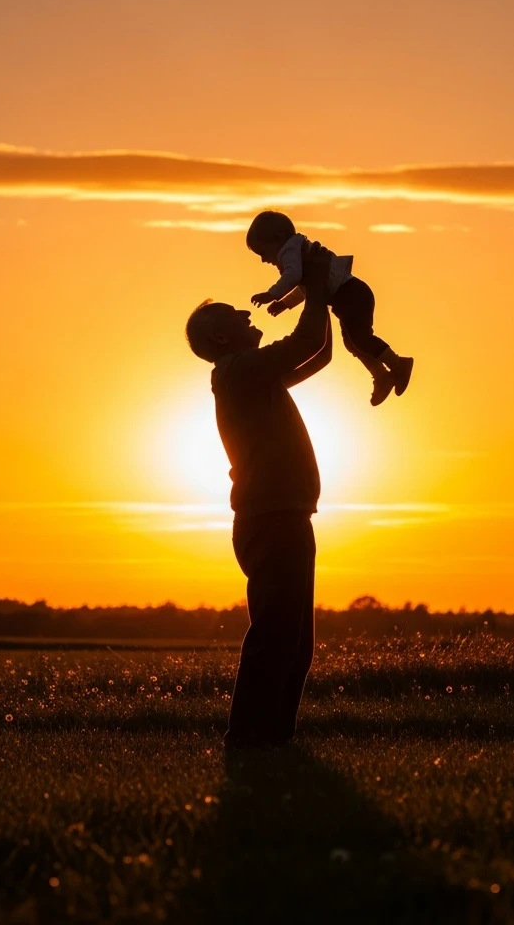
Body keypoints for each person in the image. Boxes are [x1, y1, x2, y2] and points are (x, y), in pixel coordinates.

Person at [185, 241, 333, 749]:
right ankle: (248, 739)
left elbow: (319, 351)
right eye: (235, 314)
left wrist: (320, 291)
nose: (247, 314)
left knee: (294, 641)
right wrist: (317, 284)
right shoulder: (241, 371)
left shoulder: (252, 375)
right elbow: (307, 339)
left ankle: (272, 740)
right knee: (277, 635)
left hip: (283, 516)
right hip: (271, 518)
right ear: (221, 336)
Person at [247, 210, 414, 406]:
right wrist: (285, 303)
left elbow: (293, 276)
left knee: (361, 339)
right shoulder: (302, 252)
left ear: (277, 238)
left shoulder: (290, 251)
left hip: (352, 295)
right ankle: (381, 375)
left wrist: (272, 294)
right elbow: (307, 286)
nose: (263, 260)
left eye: (263, 252)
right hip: (349, 298)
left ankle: (398, 364)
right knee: (354, 343)